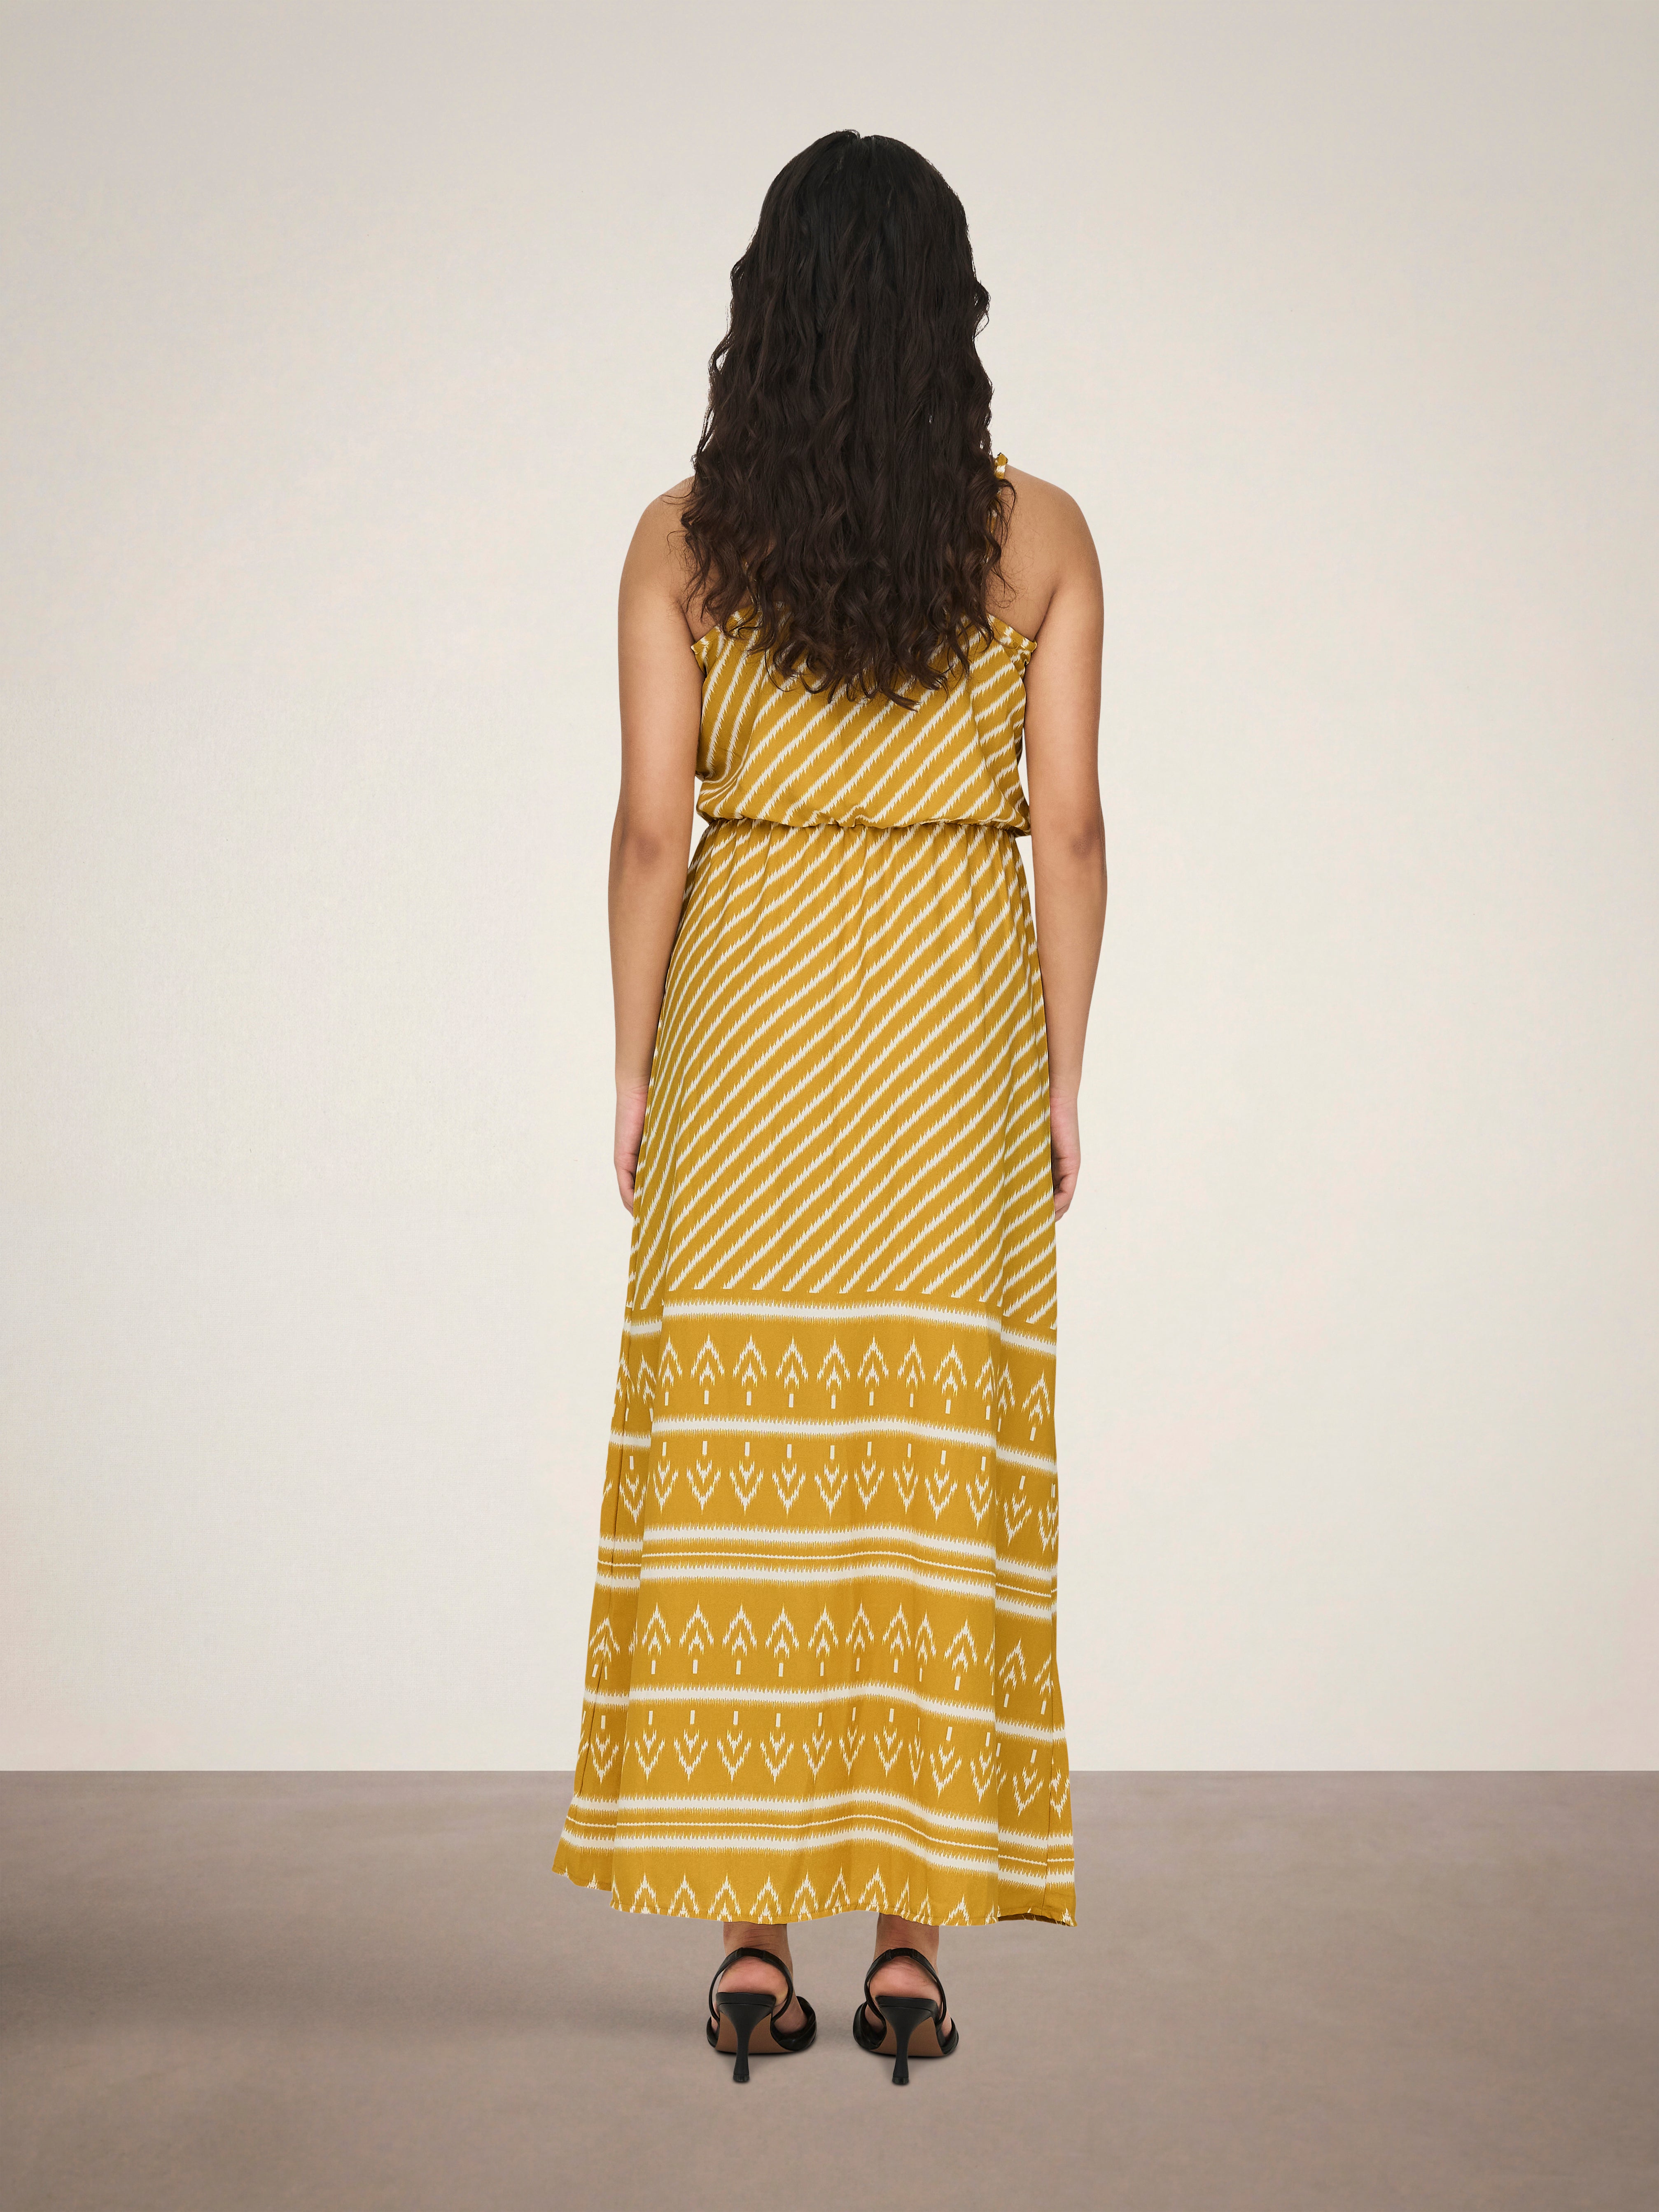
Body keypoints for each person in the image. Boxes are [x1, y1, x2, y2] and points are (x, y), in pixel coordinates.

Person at [552, 128, 1107, 2088]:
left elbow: (652, 827)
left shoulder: (683, 541)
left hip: (756, 1015)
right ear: (953, 315)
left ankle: (747, 1945)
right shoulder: (1040, 537)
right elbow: (1071, 828)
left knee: (747, 1465)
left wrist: (635, 1061)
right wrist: (1061, 1068)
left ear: (764, 314)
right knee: (924, 1463)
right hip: (953, 1022)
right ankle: (908, 1960)